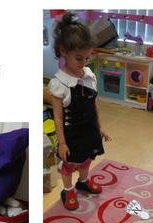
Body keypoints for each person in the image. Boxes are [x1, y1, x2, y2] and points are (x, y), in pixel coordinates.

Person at [48, 12, 112, 210]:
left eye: (87, 57)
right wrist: (62, 143)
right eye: (78, 58)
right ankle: (68, 190)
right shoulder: (59, 83)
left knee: (86, 158)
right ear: (63, 51)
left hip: (89, 129)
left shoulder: (88, 75)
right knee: (70, 164)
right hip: (72, 133)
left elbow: (93, 105)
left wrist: (98, 128)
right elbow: (57, 117)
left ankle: (83, 182)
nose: (83, 63)